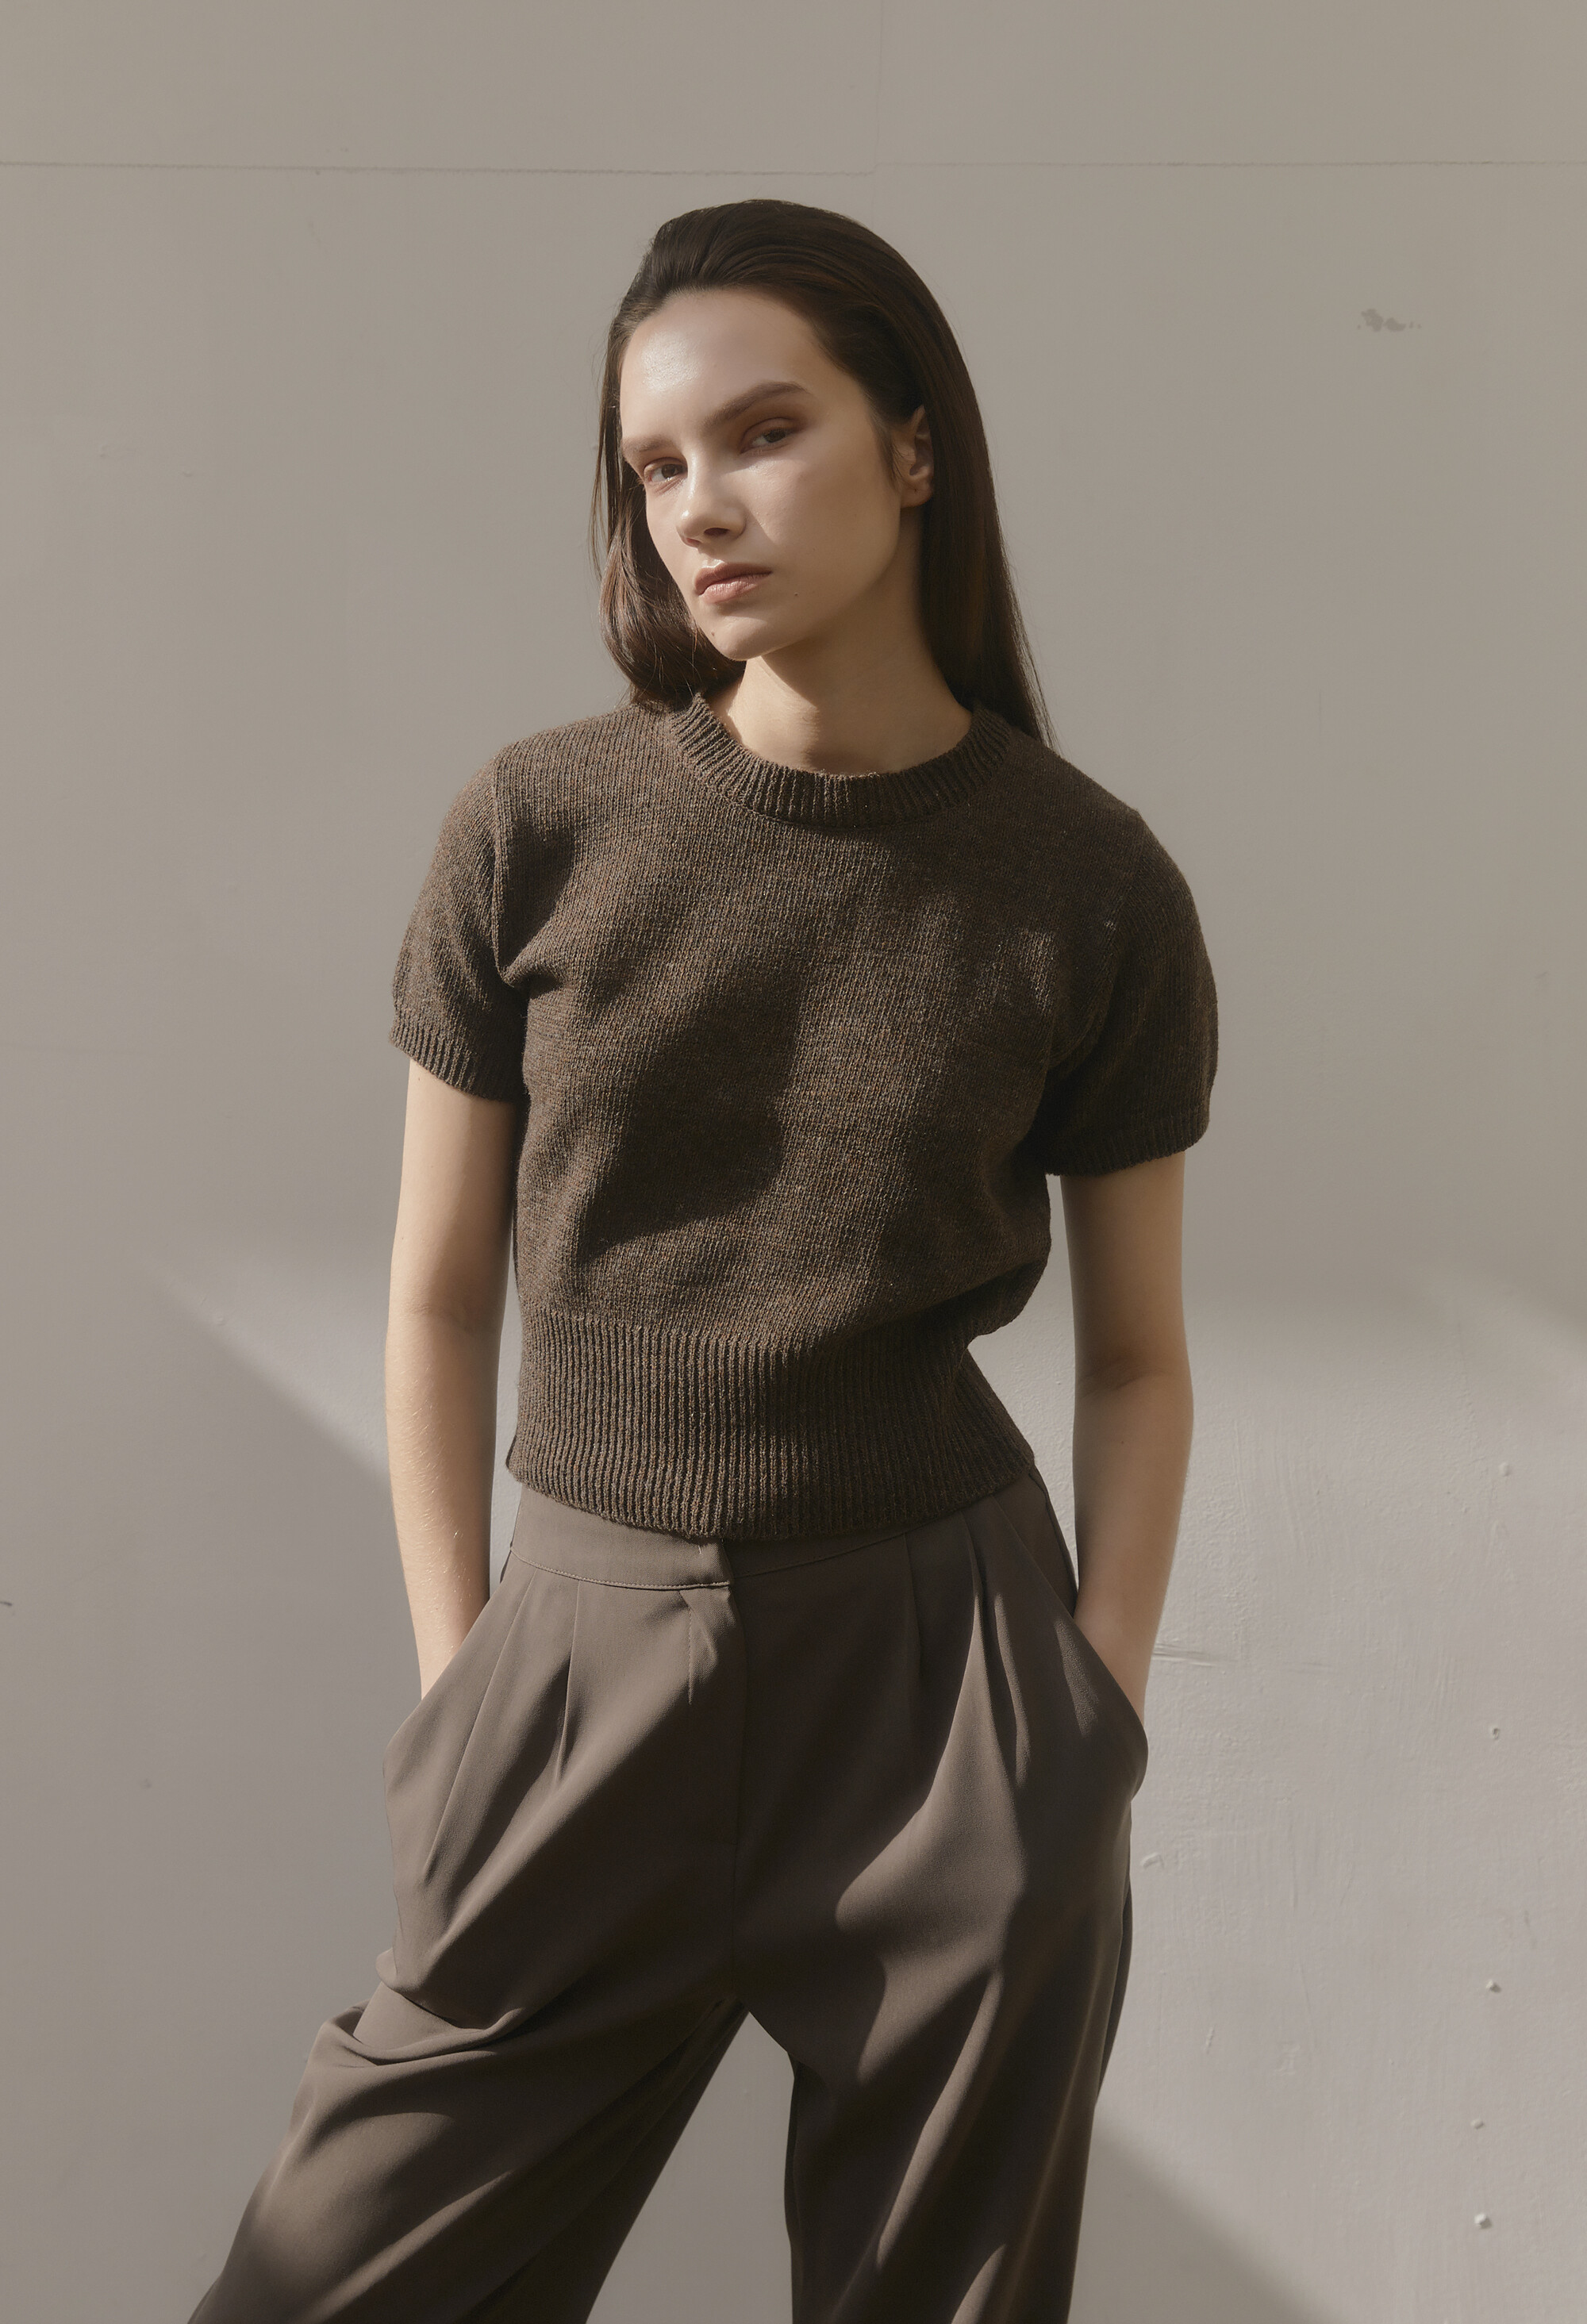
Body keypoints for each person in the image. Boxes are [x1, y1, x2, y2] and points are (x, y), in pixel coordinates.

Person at [186, 195, 1218, 2324]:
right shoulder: (536, 830)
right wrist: (463, 1685)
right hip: (582, 1657)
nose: (700, 509)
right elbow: (438, 1295)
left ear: (914, 449)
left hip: (945, 1681)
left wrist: (1087, 1724)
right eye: (656, 465)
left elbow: (1138, 1355)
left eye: (763, 433)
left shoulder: (1087, 884)